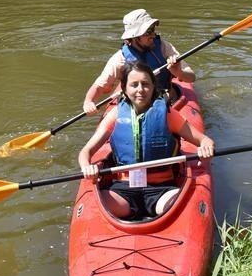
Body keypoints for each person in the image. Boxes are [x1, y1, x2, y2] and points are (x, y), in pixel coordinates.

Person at [78, 61, 215, 219]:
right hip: (123, 191)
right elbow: (85, 152)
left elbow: (205, 141)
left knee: (179, 207)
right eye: (134, 85)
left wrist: (205, 149)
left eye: (145, 84)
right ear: (124, 88)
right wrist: (87, 167)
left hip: (162, 190)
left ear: (153, 86)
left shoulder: (168, 115)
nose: (140, 90)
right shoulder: (115, 115)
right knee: (96, 207)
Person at [83, 8, 195, 115]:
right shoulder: (119, 59)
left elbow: (191, 77)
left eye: (153, 29)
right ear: (135, 37)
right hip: (136, 105)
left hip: (168, 101)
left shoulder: (164, 47)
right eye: (147, 32)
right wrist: (88, 102)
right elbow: (99, 86)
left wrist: (178, 72)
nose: (152, 35)